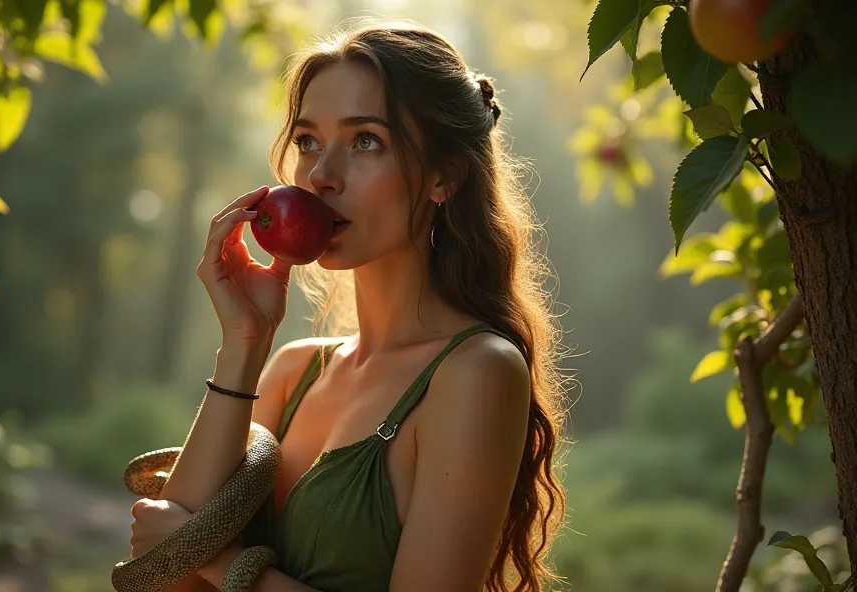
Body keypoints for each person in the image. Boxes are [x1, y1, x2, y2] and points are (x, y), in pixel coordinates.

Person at [128, 18, 568, 592]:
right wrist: (244, 343)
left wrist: (217, 561)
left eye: (366, 141)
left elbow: (180, 554)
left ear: (445, 176)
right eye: (308, 142)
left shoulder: (476, 373)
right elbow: (163, 581)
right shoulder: (291, 373)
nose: (320, 176)